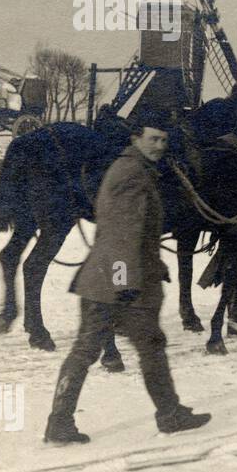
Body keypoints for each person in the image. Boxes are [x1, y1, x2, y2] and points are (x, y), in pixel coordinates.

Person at [43, 108, 212, 444]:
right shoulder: (132, 173)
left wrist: (152, 262)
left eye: (164, 140)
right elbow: (121, 233)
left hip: (111, 279)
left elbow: (134, 231)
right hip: (118, 285)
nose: (159, 145)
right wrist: (123, 282)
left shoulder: (134, 168)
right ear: (136, 138)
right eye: (153, 139)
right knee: (129, 347)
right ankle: (168, 414)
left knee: (124, 347)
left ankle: (61, 422)